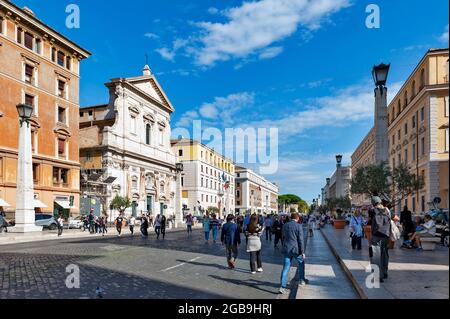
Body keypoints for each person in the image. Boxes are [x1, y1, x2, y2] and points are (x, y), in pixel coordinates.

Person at [279, 213, 307, 294]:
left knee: (285, 268)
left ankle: (282, 287)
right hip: (296, 249)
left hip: (287, 249)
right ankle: (301, 280)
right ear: (297, 218)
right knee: (301, 263)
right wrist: (302, 252)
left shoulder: (285, 225)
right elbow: (301, 240)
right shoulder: (299, 226)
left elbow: (283, 237)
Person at [369, 196, 391, 283]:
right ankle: (385, 273)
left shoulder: (372, 211)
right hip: (385, 235)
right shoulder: (387, 210)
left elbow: (370, 222)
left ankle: (378, 276)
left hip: (376, 235)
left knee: (376, 255)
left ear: (373, 203)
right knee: (385, 254)